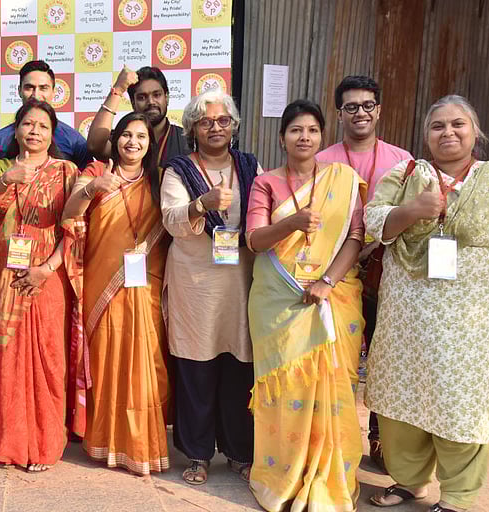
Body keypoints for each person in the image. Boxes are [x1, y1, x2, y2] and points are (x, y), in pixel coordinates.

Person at [364, 95, 489, 512]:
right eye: (438, 126)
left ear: (475, 132)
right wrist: (412, 210)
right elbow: (374, 220)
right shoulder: (406, 174)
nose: (448, 133)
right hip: (408, 314)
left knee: (461, 400)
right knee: (402, 396)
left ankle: (459, 496)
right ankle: (409, 481)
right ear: (426, 135)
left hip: (472, 320)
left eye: (458, 125)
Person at [245, 99, 364, 511]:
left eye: (312, 130)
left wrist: (328, 282)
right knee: (285, 390)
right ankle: (282, 473)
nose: (305, 137)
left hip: (329, 295)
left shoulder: (342, 180)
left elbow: (355, 237)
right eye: (296, 130)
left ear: (321, 137)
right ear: (282, 138)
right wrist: (291, 223)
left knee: (331, 389)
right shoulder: (267, 184)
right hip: (277, 299)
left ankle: (326, 473)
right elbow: (255, 240)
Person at [161, 91, 261, 485]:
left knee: (239, 366)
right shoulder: (178, 169)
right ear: (192, 129)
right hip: (195, 283)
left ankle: (239, 452)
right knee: (196, 367)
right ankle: (198, 454)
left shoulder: (251, 165)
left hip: (241, 281)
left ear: (234, 126)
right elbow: (171, 219)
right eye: (206, 122)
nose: (215, 127)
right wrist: (201, 203)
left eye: (223, 121)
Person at [62, 112, 171, 475]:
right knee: (108, 359)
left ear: (150, 144)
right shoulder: (95, 172)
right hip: (103, 280)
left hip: (147, 284)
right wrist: (93, 189)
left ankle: (142, 446)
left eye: (141, 137)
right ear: (116, 139)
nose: (133, 142)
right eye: (126, 134)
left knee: (145, 362)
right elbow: (69, 212)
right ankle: (105, 442)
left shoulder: (160, 180)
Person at [316, 75, 413, 472]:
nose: (360, 113)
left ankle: (380, 437)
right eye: (351, 106)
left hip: (388, 275)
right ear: (339, 113)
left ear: (379, 110)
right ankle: (334, 437)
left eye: (367, 105)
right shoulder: (322, 161)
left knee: (385, 361)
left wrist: (374, 244)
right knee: (337, 361)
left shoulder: (403, 161)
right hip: (336, 275)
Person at [0, 99, 77, 472]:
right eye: (28, 124)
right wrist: (8, 179)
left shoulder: (67, 171)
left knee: (49, 357)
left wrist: (47, 268)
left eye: (43, 126)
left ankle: (46, 444)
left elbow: (74, 228)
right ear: (16, 129)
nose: (34, 131)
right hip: (9, 271)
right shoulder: (0, 166)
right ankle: (13, 443)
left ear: (52, 134)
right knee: (13, 357)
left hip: (48, 275)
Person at [0, 60, 91, 170]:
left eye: (43, 88)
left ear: (54, 92)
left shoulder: (74, 140)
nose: (36, 95)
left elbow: (86, 181)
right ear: (19, 91)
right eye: (29, 87)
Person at [87, 66, 191, 168]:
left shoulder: (186, 140)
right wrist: (118, 89)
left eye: (157, 95)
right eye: (142, 97)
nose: (151, 102)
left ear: (166, 98)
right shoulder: (123, 139)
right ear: (133, 103)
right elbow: (94, 146)